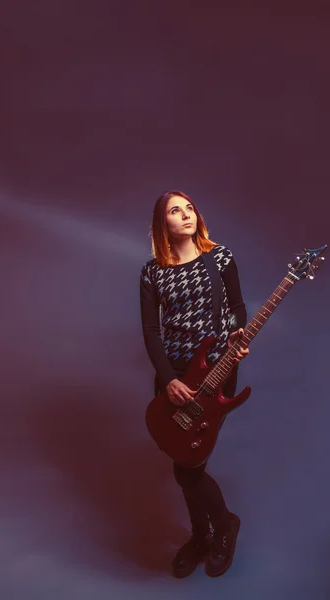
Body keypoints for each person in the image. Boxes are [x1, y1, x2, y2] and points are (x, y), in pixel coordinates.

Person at [139, 190, 249, 578]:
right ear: (162, 224)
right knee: (181, 457)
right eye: (174, 210)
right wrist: (168, 380)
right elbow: (151, 331)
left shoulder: (219, 257)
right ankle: (201, 536)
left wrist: (237, 337)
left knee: (189, 467)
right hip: (173, 377)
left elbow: (237, 310)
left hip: (216, 371)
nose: (185, 215)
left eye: (189, 207)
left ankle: (222, 527)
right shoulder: (152, 270)